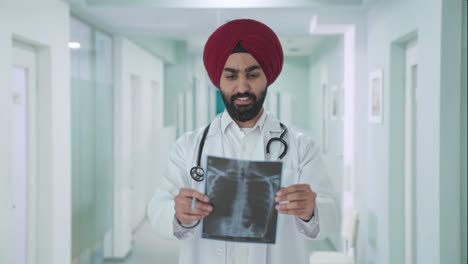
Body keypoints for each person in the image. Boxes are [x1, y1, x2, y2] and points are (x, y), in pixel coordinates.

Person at [147, 18, 337, 264]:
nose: (242, 86)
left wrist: (312, 209)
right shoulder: (189, 147)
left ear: (267, 77)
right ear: (219, 81)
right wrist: (178, 213)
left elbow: (331, 213)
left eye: (252, 74)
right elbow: (157, 208)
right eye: (231, 76)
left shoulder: (300, 147)